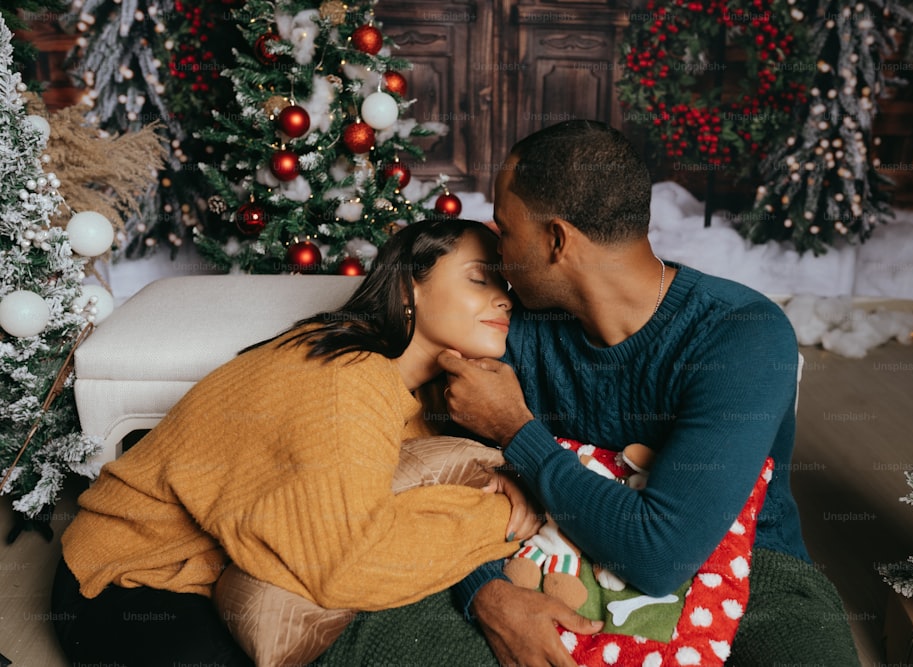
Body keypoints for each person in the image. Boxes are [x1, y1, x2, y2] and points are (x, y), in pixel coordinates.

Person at [319, 120, 861, 667]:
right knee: (365, 636)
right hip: (540, 554)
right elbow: (444, 489)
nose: (497, 251)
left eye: (505, 231)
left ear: (556, 240)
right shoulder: (509, 326)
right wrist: (488, 592)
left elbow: (660, 554)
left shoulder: (742, 332)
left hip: (742, 563)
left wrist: (515, 430)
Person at [50, 218, 541, 667]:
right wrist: (502, 518)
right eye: (481, 278)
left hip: (223, 568)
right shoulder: (344, 377)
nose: (505, 299)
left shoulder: (423, 388)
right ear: (409, 287)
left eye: (506, 284)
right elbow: (348, 564)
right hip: (129, 577)